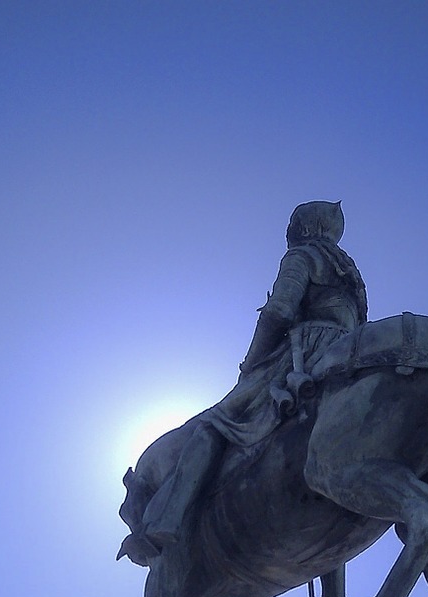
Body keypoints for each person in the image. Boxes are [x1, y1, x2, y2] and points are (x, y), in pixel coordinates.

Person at [141, 201, 367, 550]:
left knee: (214, 424)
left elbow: (278, 312)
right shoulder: (352, 276)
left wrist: (251, 364)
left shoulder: (302, 257)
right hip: (347, 356)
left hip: (303, 355)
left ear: (304, 229)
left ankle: (169, 518)